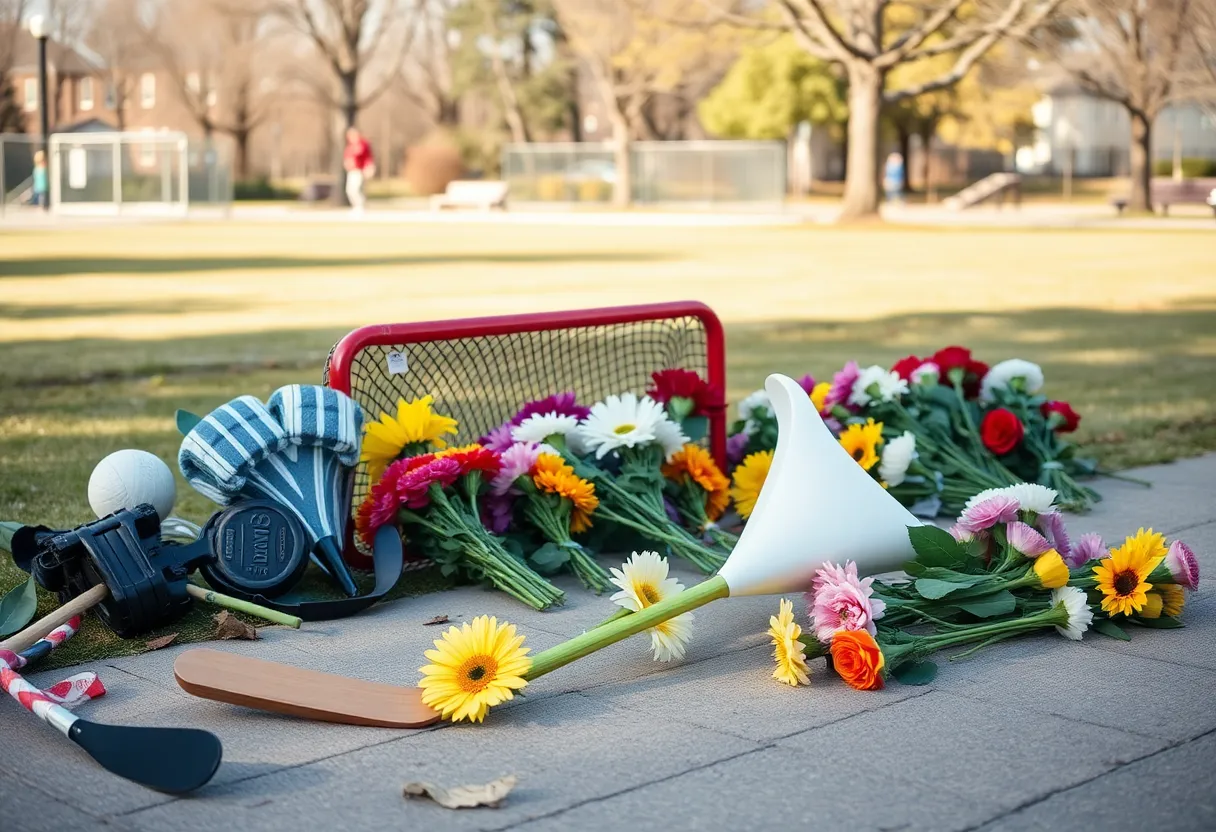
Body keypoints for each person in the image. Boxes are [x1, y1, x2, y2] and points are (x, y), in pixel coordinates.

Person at [342, 127, 375, 214]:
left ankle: (360, 207)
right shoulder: (350, 146)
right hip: (351, 171)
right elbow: (347, 158)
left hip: (359, 170)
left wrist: (369, 167)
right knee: (349, 190)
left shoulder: (362, 144)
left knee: (356, 189)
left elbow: (367, 158)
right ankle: (356, 206)